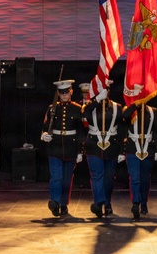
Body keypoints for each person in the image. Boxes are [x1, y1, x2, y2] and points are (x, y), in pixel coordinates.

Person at [40, 79, 83, 217]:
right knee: (56, 177)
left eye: (66, 93)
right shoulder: (52, 108)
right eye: (61, 93)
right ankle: (55, 203)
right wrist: (44, 135)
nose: (64, 95)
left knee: (66, 179)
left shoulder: (77, 109)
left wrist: (81, 151)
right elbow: (45, 127)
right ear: (58, 94)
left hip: (71, 147)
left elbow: (81, 131)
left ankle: (63, 204)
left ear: (71, 92)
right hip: (55, 147)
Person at [83, 80, 122, 218]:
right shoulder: (90, 106)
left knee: (109, 178)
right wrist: (97, 100)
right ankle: (99, 203)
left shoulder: (117, 107)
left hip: (112, 145)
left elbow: (122, 128)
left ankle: (108, 202)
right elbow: (84, 113)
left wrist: (122, 150)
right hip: (94, 145)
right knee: (97, 176)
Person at [121, 100, 157, 219]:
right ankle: (135, 203)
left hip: (148, 148)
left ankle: (143, 202)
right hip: (133, 148)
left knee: (145, 179)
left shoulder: (153, 111)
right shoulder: (129, 110)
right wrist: (134, 105)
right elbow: (124, 116)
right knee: (134, 178)